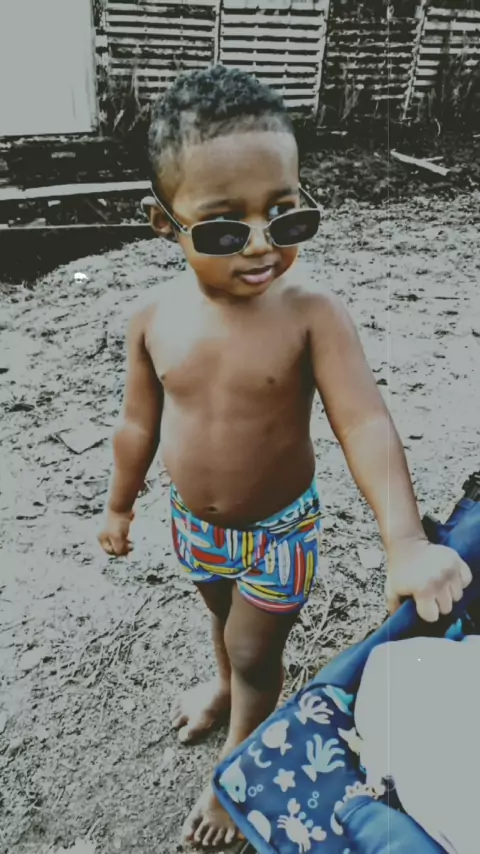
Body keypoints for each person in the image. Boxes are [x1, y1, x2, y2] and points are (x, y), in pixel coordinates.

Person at [97, 66, 471, 849]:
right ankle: (224, 687)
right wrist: (121, 503)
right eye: (224, 228)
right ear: (163, 223)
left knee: (255, 650)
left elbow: (364, 423)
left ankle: (240, 763)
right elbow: (138, 423)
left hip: (279, 534)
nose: (262, 243)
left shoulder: (313, 315)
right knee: (221, 622)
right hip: (195, 528)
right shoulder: (152, 318)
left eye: (285, 214)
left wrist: (405, 540)